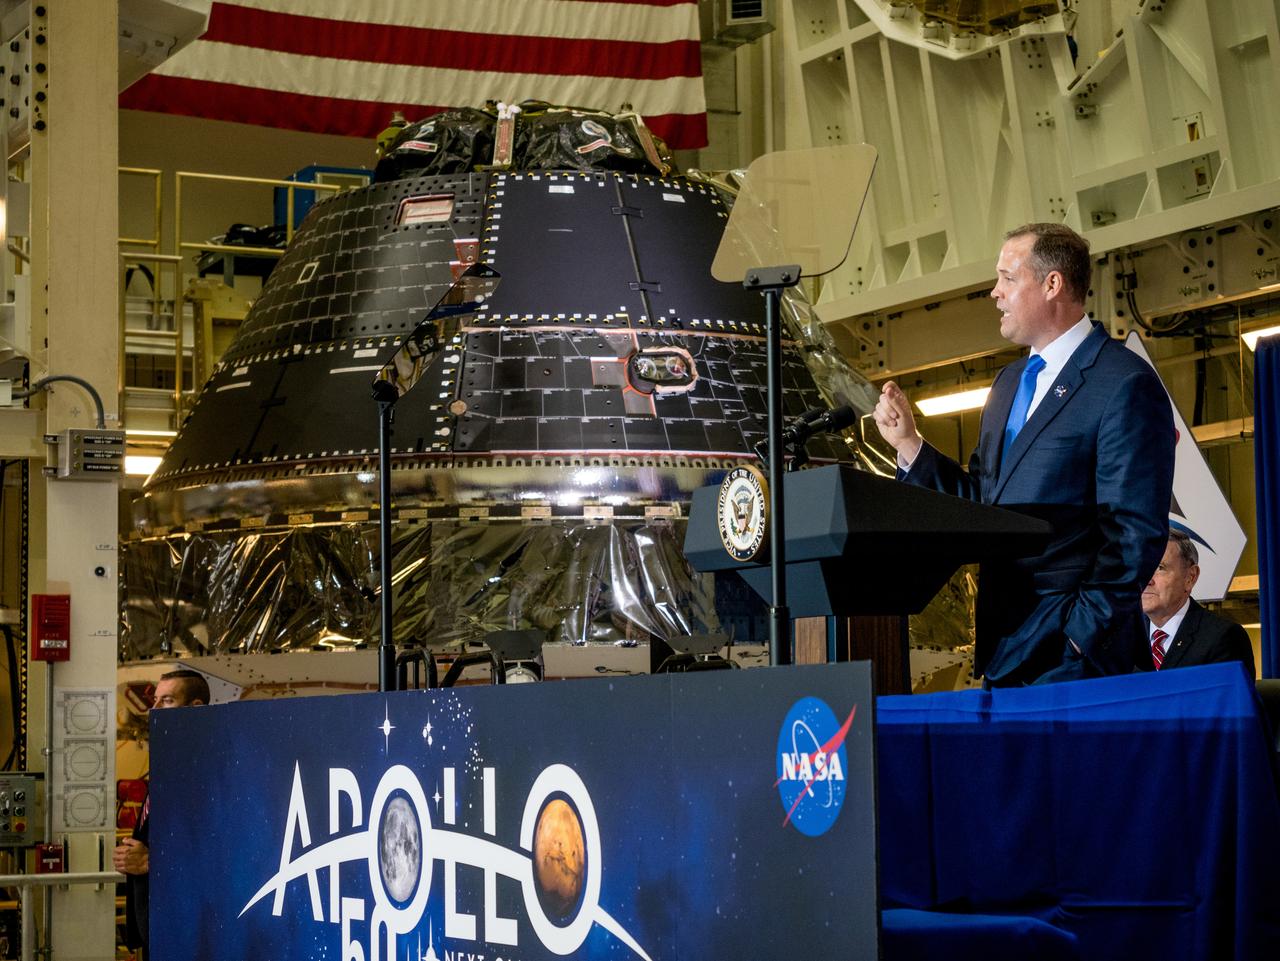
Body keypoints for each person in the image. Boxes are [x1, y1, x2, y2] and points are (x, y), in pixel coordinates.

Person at [873, 222, 1175, 685]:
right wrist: (911, 446)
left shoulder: (1124, 383)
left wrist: (1081, 635)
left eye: (1007, 279)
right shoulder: (1009, 383)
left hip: (1074, 656)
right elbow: (984, 505)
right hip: (1005, 644)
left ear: (1052, 284)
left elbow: (1133, 531)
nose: (995, 293)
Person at [113, 669, 210, 958]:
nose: (154, 711)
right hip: (157, 926)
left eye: (166, 701)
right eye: (155, 701)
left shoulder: (209, 766)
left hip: (189, 927)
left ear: (195, 709)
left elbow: (217, 846)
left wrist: (152, 861)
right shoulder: (170, 760)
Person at [1140, 529, 1256, 676]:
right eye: (1141, 567)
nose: (1147, 580)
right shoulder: (1123, 640)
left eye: (1160, 568)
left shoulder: (1222, 637)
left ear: (1190, 577)